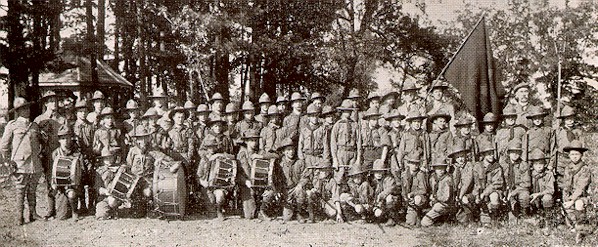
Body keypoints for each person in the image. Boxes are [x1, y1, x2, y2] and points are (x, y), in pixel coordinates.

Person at [0, 97, 44, 225]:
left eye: (28, 107)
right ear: (18, 111)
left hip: (34, 163)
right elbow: (4, 146)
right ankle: (19, 216)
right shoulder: (12, 125)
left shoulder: (34, 125)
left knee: (32, 189)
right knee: (20, 189)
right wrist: (9, 161)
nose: (27, 110)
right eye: (23, 108)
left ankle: (33, 213)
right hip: (20, 163)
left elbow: (39, 143)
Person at [34, 90, 68, 219]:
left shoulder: (62, 119)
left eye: (55, 101)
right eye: (51, 101)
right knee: (49, 181)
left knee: (61, 179)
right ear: (46, 104)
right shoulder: (39, 120)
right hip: (47, 154)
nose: (54, 104)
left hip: (60, 154)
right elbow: (35, 139)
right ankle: (50, 209)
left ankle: (62, 208)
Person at [196, 135, 235, 220]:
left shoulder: (221, 156)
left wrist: (219, 155)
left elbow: (233, 157)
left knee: (220, 196)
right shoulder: (203, 159)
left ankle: (219, 210)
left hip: (218, 186)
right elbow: (198, 175)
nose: (212, 149)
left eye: (214, 147)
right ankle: (211, 208)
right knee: (211, 213)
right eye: (209, 147)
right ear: (206, 148)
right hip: (207, 188)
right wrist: (202, 182)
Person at [561, 140, 592, 243]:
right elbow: (566, 185)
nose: (574, 156)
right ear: (569, 155)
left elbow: (581, 188)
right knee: (567, 209)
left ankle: (581, 230)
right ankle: (574, 224)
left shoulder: (584, 169)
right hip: (570, 196)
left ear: (581, 155)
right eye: (572, 154)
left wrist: (572, 200)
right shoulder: (567, 168)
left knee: (579, 204)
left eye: (577, 154)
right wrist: (565, 198)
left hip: (581, 196)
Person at [51, 125, 82, 221]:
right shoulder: (55, 153)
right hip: (60, 185)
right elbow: (53, 171)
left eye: (68, 138)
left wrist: (75, 183)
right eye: (63, 138)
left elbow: (80, 172)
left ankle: (74, 211)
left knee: (71, 194)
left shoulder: (77, 153)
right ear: (59, 140)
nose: (66, 141)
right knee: (61, 217)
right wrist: (54, 183)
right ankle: (57, 208)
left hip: (73, 185)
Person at [552, 105, 584, 191]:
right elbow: (555, 146)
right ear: (563, 120)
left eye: (572, 118)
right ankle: (561, 197)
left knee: (573, 176)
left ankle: (572, 195)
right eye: (567, 119)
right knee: (561, 178)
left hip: (573, 157)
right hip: (562, 158)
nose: (570, 121)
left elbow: (582, 145)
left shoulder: (577, 131)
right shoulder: (559, 131)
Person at [276, 138, 309, 223]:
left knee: (301, 191)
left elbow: (305, 176)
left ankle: (299, 212)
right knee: (287, 218)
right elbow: (276, 178)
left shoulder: (300, 162)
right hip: (285, 191)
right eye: (288, 150)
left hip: (296, 188)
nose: (291, 152)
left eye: (292, 149)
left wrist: (300, 184)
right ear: (284, 151)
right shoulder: (279, 163)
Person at [330, 100, 361, 188]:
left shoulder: (355, 125)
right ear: (342, 111)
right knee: (339, 176)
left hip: (352, 153)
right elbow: (333, 143)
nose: (348, 113)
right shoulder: (337, 125)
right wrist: (335, 159)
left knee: (352, 176)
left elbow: (359, 142)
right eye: (346, 110)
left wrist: (358, 158)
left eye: (350, 110)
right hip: (341, 153)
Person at [474, 143, 505, 227]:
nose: (491, 156)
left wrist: (484, 193)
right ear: (483, 155)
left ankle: (494, 219)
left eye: (492, 153)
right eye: (488, 154)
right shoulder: (477, 166)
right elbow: (476, 182)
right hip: (480, 191)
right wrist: (477, 195)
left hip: (493, 191)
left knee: (494, 196)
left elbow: (497, 183)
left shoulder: (496, 167)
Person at [72, 99, 95, 213]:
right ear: (76, 113)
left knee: (90, 181)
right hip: (77, 158)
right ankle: (82, 206)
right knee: (79, 181)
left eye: (85, 111)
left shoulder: (91, 126)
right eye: (80, 111)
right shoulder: (73, 126)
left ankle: (90, 205)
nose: (83, 113)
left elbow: (94, 141)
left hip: (89, 157)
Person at [448, 142, 476, 225]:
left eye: (462, 156)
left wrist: (459, 196)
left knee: (464, 199)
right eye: (458, 157)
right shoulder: (453, 168)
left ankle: (471, 220)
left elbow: (467, 183)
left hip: (469, 193)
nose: (460, 159)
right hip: (457, 193)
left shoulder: (469, 166)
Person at [528, 149, 555, 233]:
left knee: (547, 198)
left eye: (541, 164)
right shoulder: (529, 174)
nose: (539, 166)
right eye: (536, 164)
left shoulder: (548, 174)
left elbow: (550, 190)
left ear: (545, 164)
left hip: (543, 198)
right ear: (532, 165)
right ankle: (531, 219)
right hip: (532, 199)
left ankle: (548, 223)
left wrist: (539, 194)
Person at [421, 157, 454, 227]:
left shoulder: (448, 179)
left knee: (425, 222)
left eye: (443, 168)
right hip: (436, 202)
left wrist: (435, 198)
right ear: (435, 169)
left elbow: (446, 198)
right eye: (438, 168)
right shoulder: (432, 177)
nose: (441, 170)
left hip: (445, 204)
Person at [503, 140, 531, 222]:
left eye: (517, 152)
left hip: (519, 189)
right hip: (506, 189)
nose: (515, 154)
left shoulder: (524, 165)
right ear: (508, 153)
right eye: (512, 152)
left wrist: (513, 193)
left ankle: (524, 216)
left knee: (525, 196)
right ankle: (504, 216)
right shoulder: (503, 164)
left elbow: (526, 183)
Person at [94, 148, 125, 220]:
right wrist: (107, 192)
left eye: (110, 157)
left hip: (118, 197)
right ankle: (109, 211)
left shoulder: (120, 169)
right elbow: (98, 188)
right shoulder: (99, 171)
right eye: (106, 158)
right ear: (103, 160)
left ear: (114, 157)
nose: (108, 160)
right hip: (104, 198)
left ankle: (116, 211)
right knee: (101, 216)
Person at [401, 149, 428, 227]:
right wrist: (406, 198)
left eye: (417, 164)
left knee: (418, 199)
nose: (415, 166)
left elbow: (423, 190)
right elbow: (403, 189)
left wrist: (412, 194)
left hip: (419, 198)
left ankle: (419, 213)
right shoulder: (404, 175)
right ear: (408, 163)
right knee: (410, 222)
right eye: (412, 163)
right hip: (408, 200)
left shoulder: (420, 174)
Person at [359, 107, 391, 171]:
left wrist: (382, 160)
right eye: (373, 119)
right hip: (366, 157)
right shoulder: (363, 130)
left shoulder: (382, 130)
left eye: (377, 119)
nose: (376, 122)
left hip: (377, 156)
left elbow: (385, 147)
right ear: (368, 119)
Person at [370, 159, 401, 226]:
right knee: (377, 213)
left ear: (384, 172)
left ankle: (391, 218)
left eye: (380, 172)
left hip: (391, 202)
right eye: (376, 172)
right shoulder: (373, 181)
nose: (378, 174)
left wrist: (381, 195)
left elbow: (389, 189)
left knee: (389, 197)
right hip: (379, 203)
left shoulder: (389, 179)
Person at [385, 110, 405, 181]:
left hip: (404, 155)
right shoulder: (389, 134)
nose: (397, 122)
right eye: (395, 120)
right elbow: (386, 148)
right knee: (395, 172)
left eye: (399, 120)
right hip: (394, 155)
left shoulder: (404, 132)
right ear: (391, 122)